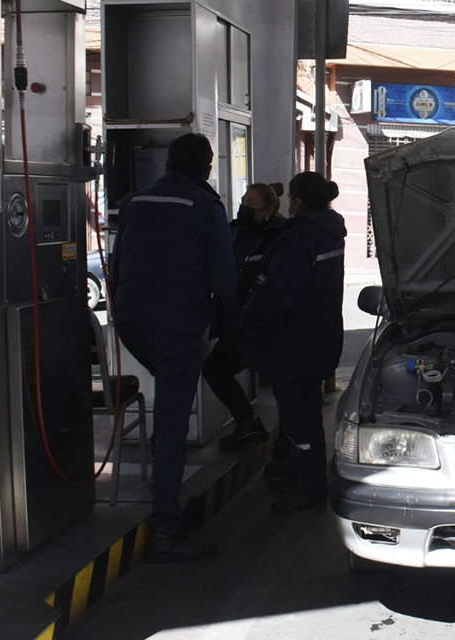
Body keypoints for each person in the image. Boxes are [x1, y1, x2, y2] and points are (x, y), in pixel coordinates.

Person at [109, 133, 236, 562]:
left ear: (168, 163)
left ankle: (162, 487)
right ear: (207, 167)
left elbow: (118, 261)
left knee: (167, 404)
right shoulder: (206, 207)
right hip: (176, 328)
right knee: (171, 426)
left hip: (130, 323)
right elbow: (225, 282)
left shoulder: (134, 202)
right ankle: (165, 526)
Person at [241, 171, 347, 513]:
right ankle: (305, 475)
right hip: (321, 337)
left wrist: (247, 319)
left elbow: (280, 294)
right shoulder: (331, 232)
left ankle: (310, 488)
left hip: (296, 344)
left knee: (299, 419)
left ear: (297, 202)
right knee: (306, 414)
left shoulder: (300, 237)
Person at [204, 182, 288, 451]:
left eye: (251, 205)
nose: (243, 208)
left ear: (269, 210)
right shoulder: (233, 232)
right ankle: (248, 423)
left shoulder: (280, 236)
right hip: (235, 324)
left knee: (281, 384)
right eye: (243, 201)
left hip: (266, 326)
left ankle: (285, 445)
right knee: (215, 369)